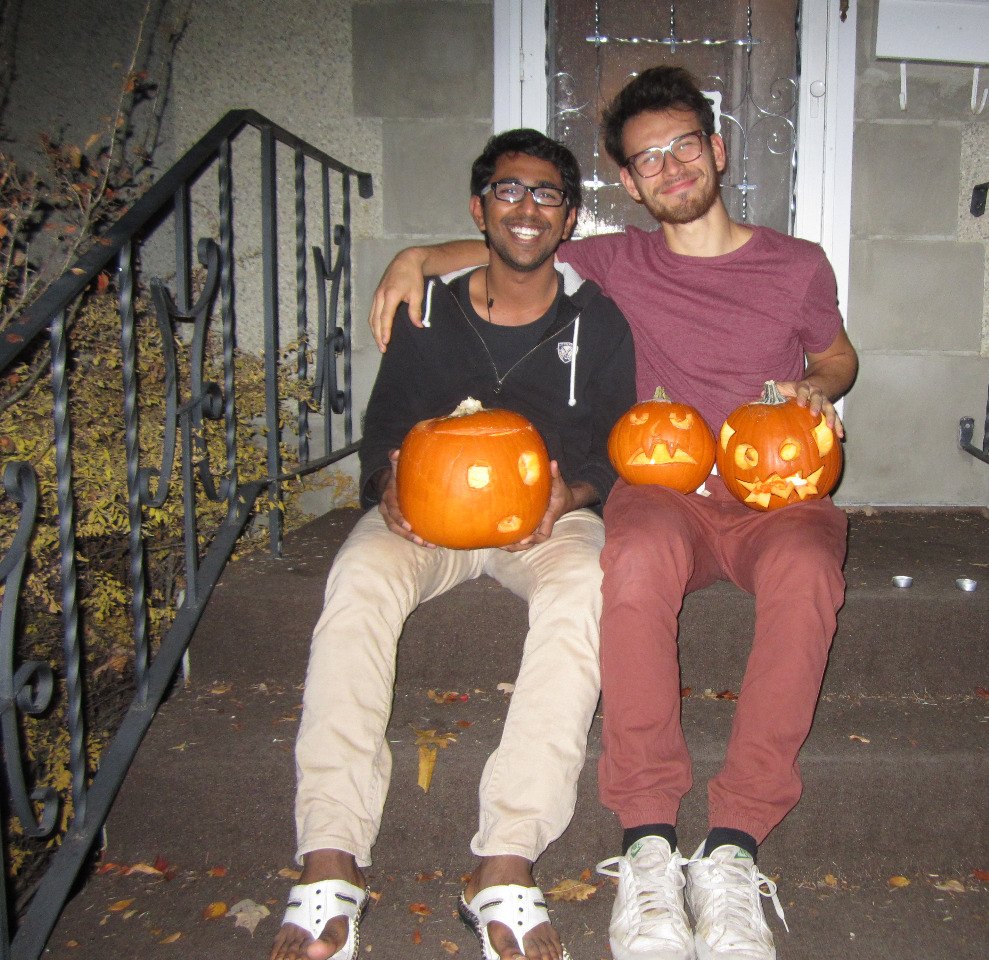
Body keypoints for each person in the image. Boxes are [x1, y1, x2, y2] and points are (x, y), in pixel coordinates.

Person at [369, 66, 857, 960]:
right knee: (626, 560)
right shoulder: (612, 262)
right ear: (629, 183)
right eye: (647, 159)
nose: (671, 167)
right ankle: (647, 843)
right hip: (662, 488)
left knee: (809, 570)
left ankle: (735, 847)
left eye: (684, 146)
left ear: (716, 150)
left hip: (776, 491)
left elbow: (839, 356)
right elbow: (515, 243)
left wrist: (816, 387)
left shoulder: (797, 264)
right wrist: (418, 259)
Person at [270, 128, 635, 960]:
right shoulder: (427, 310)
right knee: (358, 577)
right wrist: (387, 489)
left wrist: (572, 495)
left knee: (587, 587)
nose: (526, 207)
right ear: (479, 209)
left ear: (569, 218)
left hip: (545, 519)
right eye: (508, 189)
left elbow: (613, 447)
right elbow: (384, 430)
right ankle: (330, 851)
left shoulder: (598, 322)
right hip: (425, 517)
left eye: (546, 194)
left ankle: (505, 857)